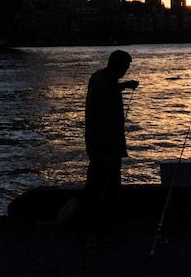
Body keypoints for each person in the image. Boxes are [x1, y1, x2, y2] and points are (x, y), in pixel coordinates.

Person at [83, 50, 139, 244]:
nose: (126, 71)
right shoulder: (107, 85)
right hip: (107, 150)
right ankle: (100, 233)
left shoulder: (99, 77)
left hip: (96, 147)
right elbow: (104, 121)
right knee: (108, 191)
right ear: (121, 66)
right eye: (126, 68)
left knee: (94, 188)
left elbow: (105, 94)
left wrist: (124, 86)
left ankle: (90, 230)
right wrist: (106, 153)